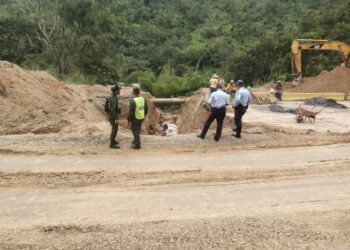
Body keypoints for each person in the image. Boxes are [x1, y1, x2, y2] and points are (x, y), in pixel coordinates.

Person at [106, 84, 122, 149]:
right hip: (113, 116)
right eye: (118, 90)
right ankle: (112, 144)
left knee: (115, 129)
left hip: (113, 115)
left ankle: (113, 140)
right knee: (114, 129)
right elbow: (112, 109)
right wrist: (115, 118)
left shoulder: (114, 97)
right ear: (115, 91)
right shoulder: (113, 98)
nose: (119, 91)